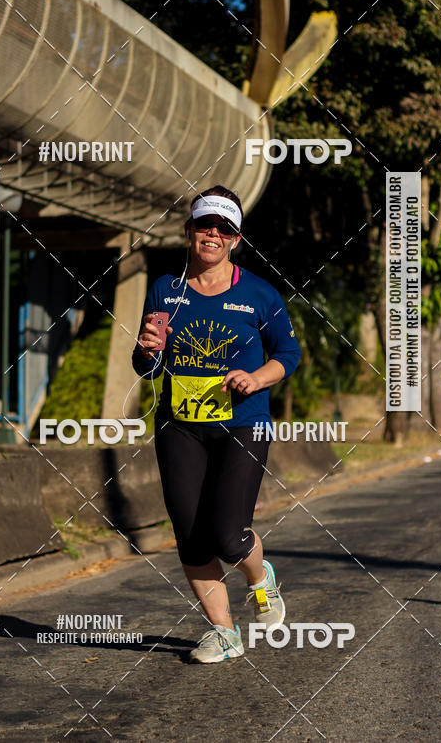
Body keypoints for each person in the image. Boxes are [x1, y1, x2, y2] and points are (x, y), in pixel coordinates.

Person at [131, 185, 301, 663]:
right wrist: (147, 350)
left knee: (228, 536)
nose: (213, 235)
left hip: (243, 424)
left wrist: (256, 378)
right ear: (189, 230)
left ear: (236, 240)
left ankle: (260, 576)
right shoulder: (165, 289)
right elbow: (146, 367)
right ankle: (223, 632)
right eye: (205, 225)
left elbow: (288, 353)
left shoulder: (259, 294)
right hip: (180, 425)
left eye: (224, 229)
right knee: (190, 534)